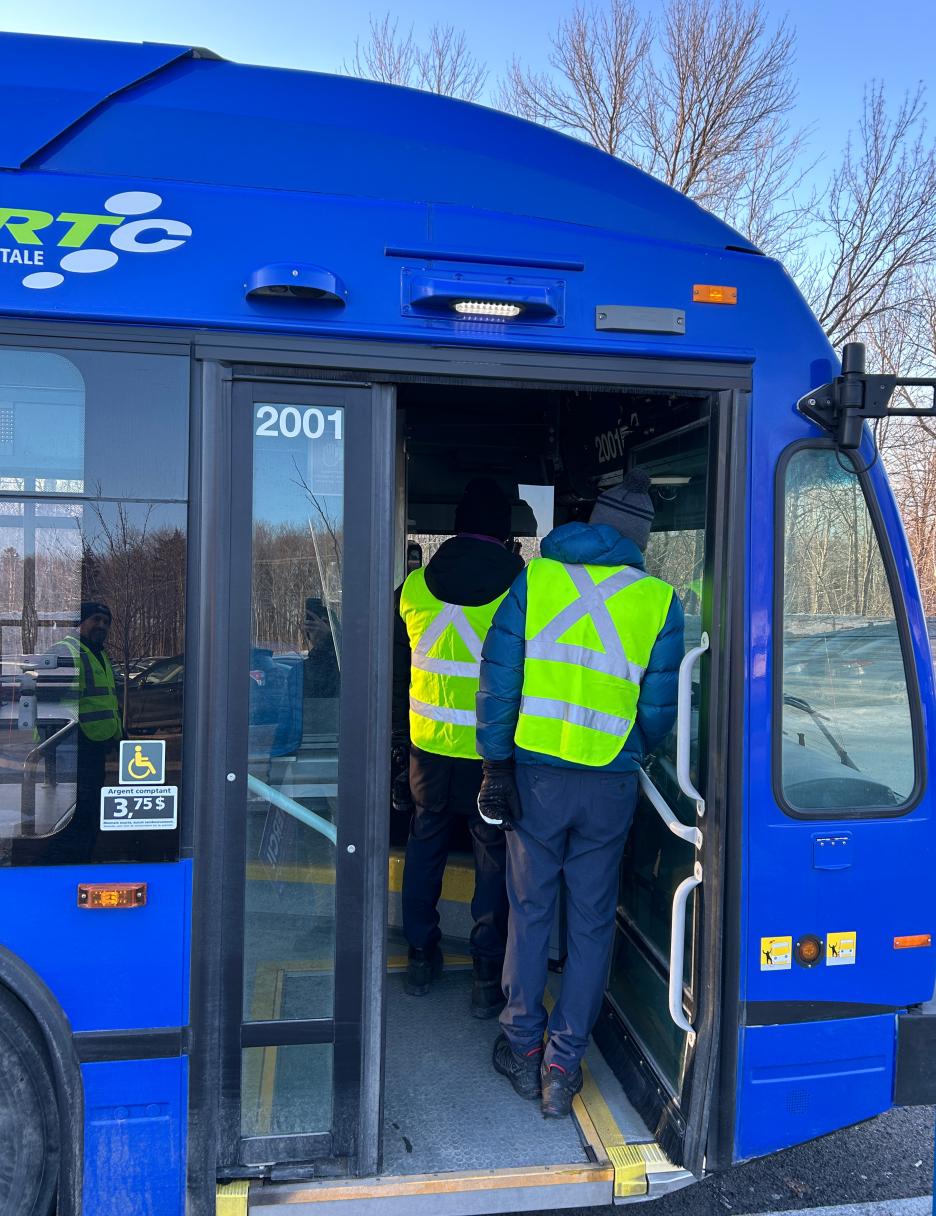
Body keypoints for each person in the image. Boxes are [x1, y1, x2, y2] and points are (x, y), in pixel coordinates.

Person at [475, 469, 684, 1117]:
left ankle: (521, 1046)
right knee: (591, 924)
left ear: (592, 522)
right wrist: (628, 748)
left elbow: (499, 681)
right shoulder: (659, 602)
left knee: (531, 912)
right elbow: (657, 710)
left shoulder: (534, 579)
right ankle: (563, 1069)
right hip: (610, 785)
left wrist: (495, 765)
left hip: (536, 783)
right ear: (640, 539)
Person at [393, 479, 524, 1017]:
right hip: (489, 754)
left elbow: (397, 667)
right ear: (504, 531)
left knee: (425, 847)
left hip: (428, 749)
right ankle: (485, 976)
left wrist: (400, 743)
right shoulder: (521, 584)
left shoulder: (415, 586)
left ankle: (422, 955)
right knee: (492, 859)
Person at [50, 601, 122, 858]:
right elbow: (50, 702)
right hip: (71, 746)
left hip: (95, 745)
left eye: (106, 622)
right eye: (96, 620)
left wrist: (117, 735)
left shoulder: (99, 654)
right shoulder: (66, 651)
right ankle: (65, 859)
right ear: (81, 623)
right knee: (77, 810)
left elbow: (106, 700)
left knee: (89, 808)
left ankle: (81, 853)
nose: (101, 626)